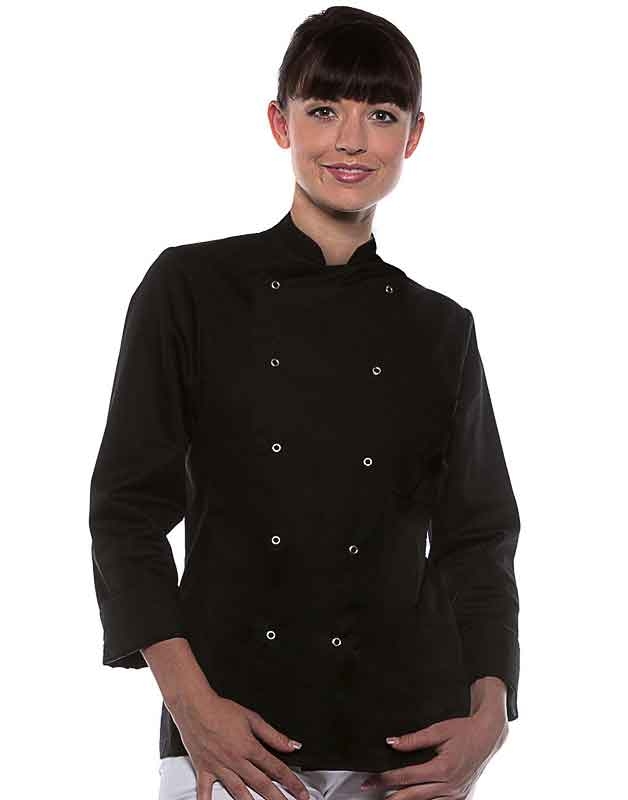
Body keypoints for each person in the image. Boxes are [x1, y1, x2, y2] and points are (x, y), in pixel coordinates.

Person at [89, 6, 520, 800]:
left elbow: (479, 537)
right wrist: (191, 708)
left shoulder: (440, 328)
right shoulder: (190, 289)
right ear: (279, 122)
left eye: (380, 115)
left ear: (413, 136)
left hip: (408, 748)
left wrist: (490, 715)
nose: (350, 141)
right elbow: (126, 511)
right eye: (324, 109)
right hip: (233, 734)